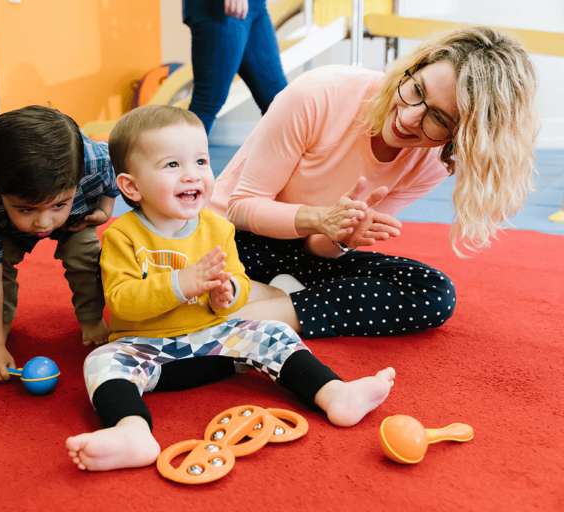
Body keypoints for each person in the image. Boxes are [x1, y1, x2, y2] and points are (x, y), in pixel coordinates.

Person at [65, 105, 396, 472]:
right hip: (150, 352)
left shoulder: (217, 228)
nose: (192, 175)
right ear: (131, 185)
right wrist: (181, 283)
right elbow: (123, 303)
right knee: (102, 361)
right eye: (172, 165)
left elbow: (236, 282)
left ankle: (335, 393)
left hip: (215, 348)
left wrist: (229, 295)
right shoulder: (121, 236)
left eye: (201, 162)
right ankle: (131, 431)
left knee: (272, 332)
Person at [208, 26, 538, 337]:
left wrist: (341, 239)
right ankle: (275, 298)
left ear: (460, 136)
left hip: (298, 253)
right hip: (229, 239)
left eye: (438, 118)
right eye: (417, 90)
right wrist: (320, 219)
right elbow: (240, 208)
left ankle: (257, 310)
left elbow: (317, 249)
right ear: (413, 68)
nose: (409, 118)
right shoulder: (320, 92)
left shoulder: (434, 163)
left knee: (432, 291)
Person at [0, 105, 120, 384]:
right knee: (1, 264)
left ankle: (90, 317)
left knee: (85, 258)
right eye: (27, 209)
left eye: (56, 204)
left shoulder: (97, 161)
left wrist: (106, 210)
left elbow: (112, 175)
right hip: (9, 229)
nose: (43, 223)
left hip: (78, 218)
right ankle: (0, 324)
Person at [183, 0, 288, 134]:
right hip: (218, 8)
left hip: (256, 6)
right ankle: (182, 154)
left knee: (279, 103)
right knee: (209, 100)